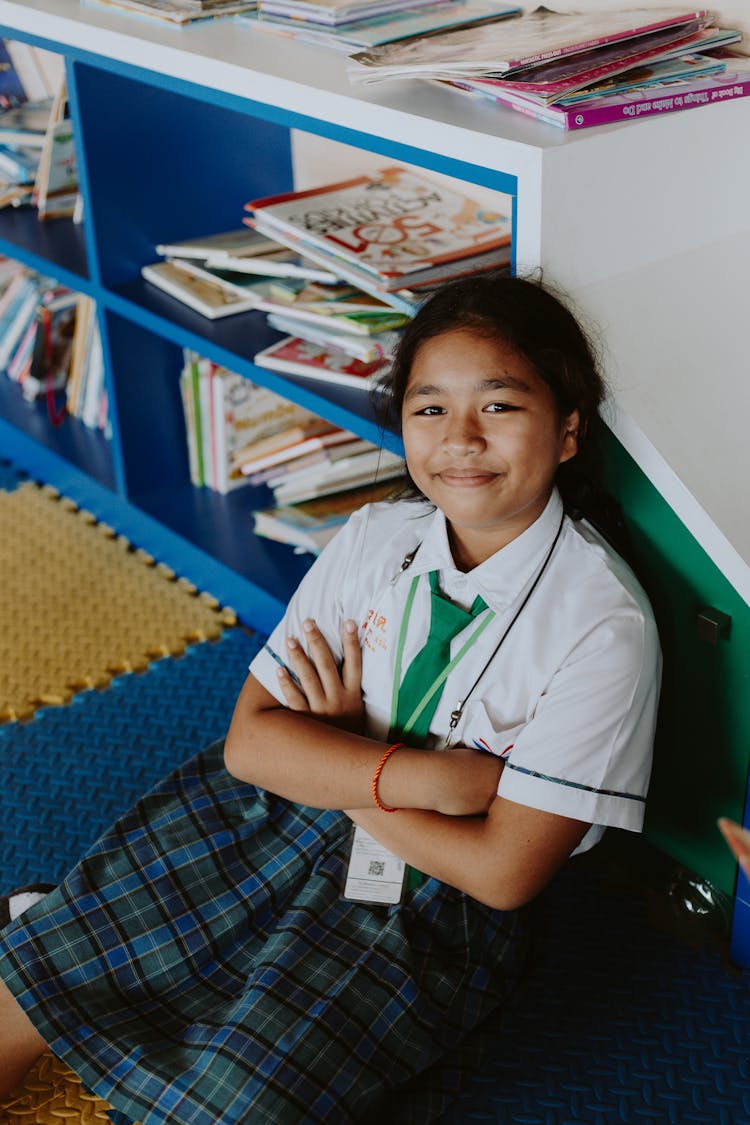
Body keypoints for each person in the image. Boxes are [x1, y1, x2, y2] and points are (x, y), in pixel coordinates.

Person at [0, 272, 661, 1123]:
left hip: (435, 888)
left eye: (499, 406)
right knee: (36, 980)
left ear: (568, 429)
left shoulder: (604, 625)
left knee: (234, 1097)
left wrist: (340, 757)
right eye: (429, 409)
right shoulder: (376, 535)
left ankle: (84, 922)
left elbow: (502, 873)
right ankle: (58, 923)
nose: (460, 438)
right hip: (291, 802)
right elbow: (250, 748)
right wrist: (432, 780)